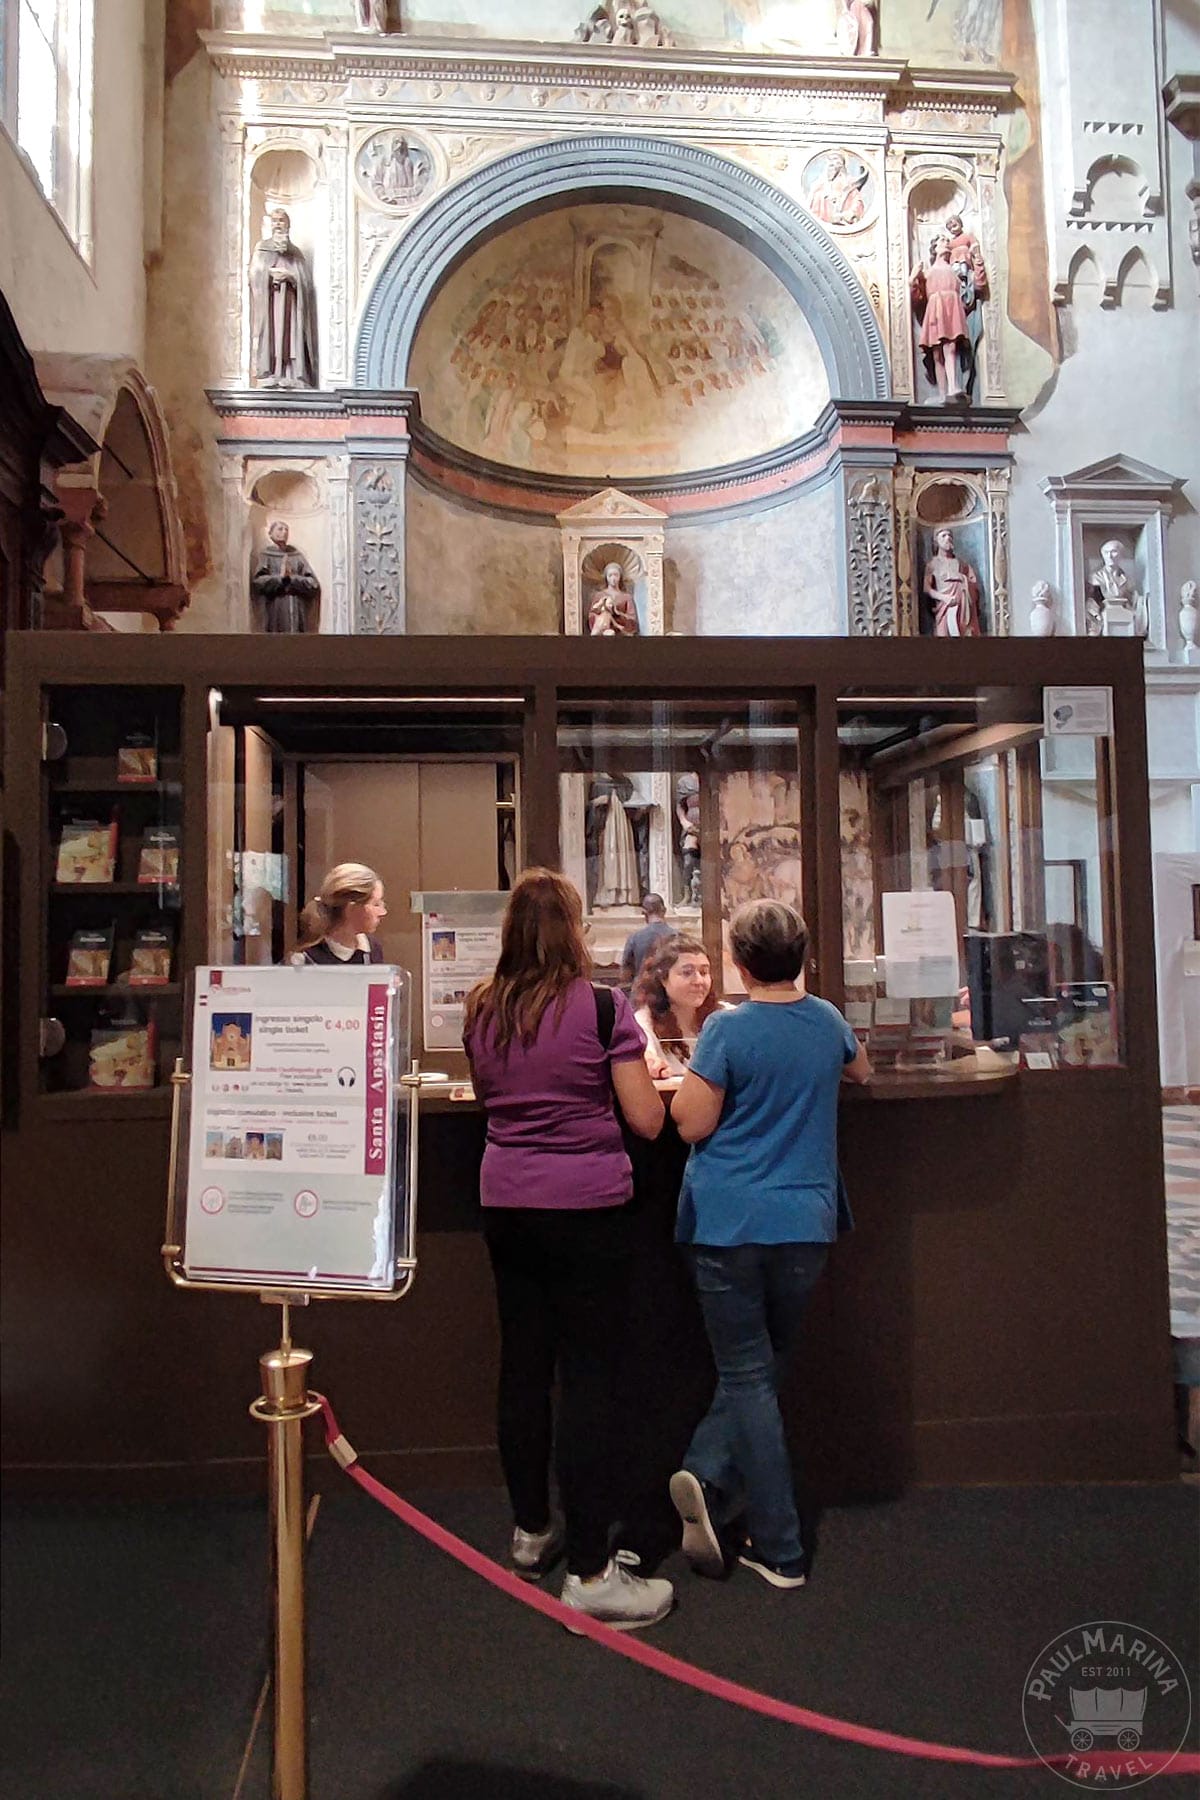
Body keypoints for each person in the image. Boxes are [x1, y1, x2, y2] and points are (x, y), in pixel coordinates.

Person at [462, 868, 673, 1630]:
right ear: (575, 931)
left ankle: (530, 1530)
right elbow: (647, 1120)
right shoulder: (604, 1008)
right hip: (586, 1209)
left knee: (523, 1366)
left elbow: (493, 1102)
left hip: (506, 1204)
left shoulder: (481, 1009)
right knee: (589, 1381)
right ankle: (589, 1569)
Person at [667, 898, 871, 1588]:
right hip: (806, 1220)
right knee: (767, 1361)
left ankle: (774, 1537)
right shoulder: (827, 1022)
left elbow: (690, 1124)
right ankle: (712, 1480)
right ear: (803, 955)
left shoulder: (728, 1030)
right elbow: (861, 1071)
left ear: (741, 961)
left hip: (729, 1222)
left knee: (748, 1372)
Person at [248, 208, 318, 389]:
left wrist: (291, 277)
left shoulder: (295, 253)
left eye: (282, 221)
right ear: (271, 225)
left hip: (291, 306)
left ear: (288, 224)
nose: (278, 224)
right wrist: (269, 275)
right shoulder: (262, 248)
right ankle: (271, 371)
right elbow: (254, 273)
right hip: (271, 302)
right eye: (275, 221)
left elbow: (306, 282)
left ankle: (292, 372)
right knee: (273, 335)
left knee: (290, 337)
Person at [634, 935, 721, 1078]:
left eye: (704, 972)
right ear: (663, 978)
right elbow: (644, 1054)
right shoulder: (644, 1022)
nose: (699, 981)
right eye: (687, 973)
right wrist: (649, 1062)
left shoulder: (726, 1015)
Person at [911, 234, 970, 400]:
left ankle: (953, 387)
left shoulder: (954, 269)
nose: (946, 243)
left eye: (946, 241)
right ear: (935, 247)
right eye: (942, 241)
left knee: (950, 348)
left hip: (951, 307)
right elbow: (915, 295)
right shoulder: (928, 272)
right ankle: (943, 393)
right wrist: (913, 277)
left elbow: (966, 288)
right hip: (936, 308)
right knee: (937, 354)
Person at [293, 863, 387, 965]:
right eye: (376, 904)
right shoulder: (305, 960)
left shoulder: (373, 949)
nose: (383, 912)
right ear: (351, 908)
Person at [923, 526, 983, 637]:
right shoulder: (932, 564)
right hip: (944, 608)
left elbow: (974, 585)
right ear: (936, 541)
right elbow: (927, 589)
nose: (948, 538)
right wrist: (944, 598)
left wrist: (962, 579)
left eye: (950, 536)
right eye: (944, 536)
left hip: (964, 611)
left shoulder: (962, 564)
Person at [619, 893, 674, 988]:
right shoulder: (677, 936)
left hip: (643, 995)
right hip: (671, 992)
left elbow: (625, 974)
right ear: (664, 911)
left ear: (644, 913)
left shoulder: (634, 938)